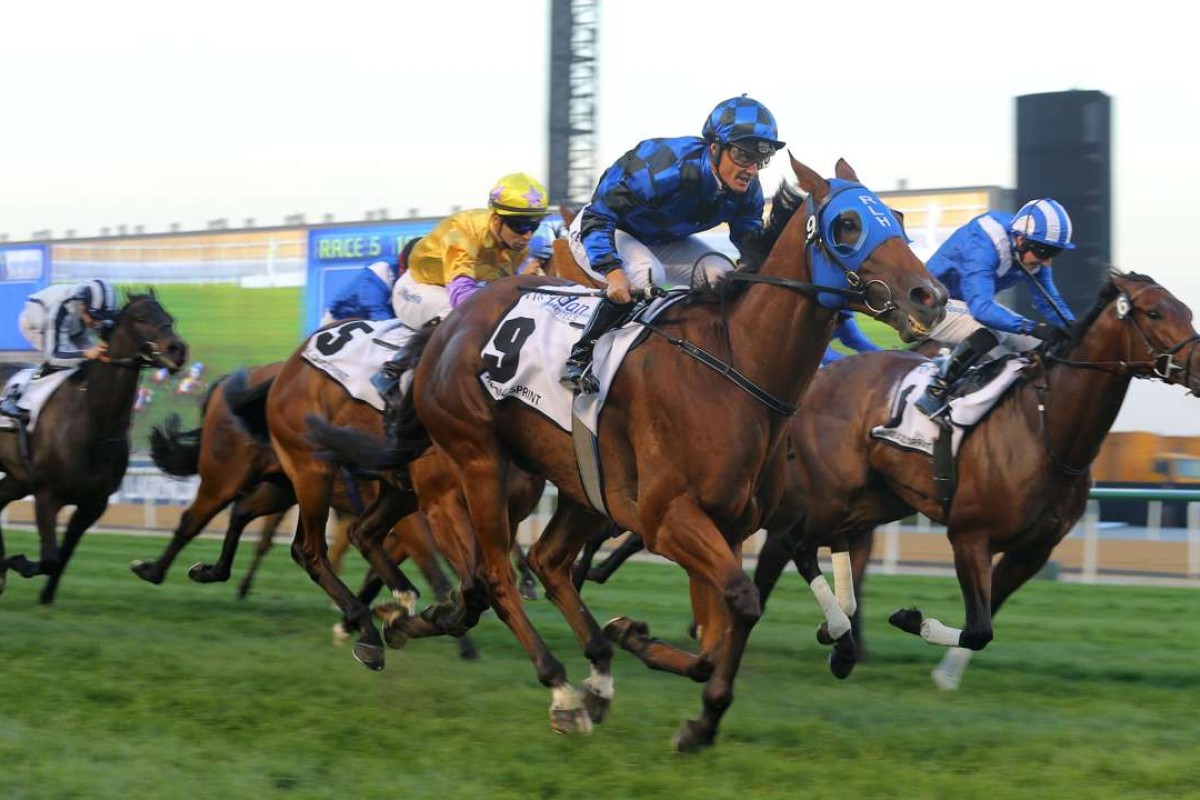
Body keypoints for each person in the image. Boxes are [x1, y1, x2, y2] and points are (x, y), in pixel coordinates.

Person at [560, 94, 784, 391]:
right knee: (645, 272)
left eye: (760, 159)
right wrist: (613, 272)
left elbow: (750, 243)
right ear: (714, 147)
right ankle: (581, 357)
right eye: (743, 156)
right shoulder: (662, 165)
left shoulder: (748, 190)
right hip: (602, 230)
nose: (751, 170)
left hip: (661, 240)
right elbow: (599, 217)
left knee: (720, 272)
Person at [913, 198, 1077, 417]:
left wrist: (1076, 329)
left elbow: (1049, 302)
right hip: (927, 306)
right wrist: (1031, 326)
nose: (1047, 262)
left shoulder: (1030, 248)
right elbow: (981, 309)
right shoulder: (985, 240)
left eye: (1054, 253)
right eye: (1045, 252)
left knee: (1037, 343)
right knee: (994, 330)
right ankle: (937, 389)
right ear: (1021, 239)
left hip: (965, 307)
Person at [390, 172, 550, 331]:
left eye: (534, 226)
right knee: (466, 316)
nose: (528, 235)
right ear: (496, 219)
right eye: (521, 226)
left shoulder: (517, 245)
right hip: (418, 288)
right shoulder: (463, 232)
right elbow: (461, 297)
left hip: (456, 288)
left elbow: (504, 290)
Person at [1, 278, 119, 418]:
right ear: (82, 305)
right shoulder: (62, 308)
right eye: (94, 317)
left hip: (73, 329)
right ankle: (14, 396)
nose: (97, 323)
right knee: (61, 366)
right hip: (37, 323)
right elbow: (55, 356)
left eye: (102, 318)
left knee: (92, 361)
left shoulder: (91, 309)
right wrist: (85, 353)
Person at [322, 238, 420, 325]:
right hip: (338, 323)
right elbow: (376, 312)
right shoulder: (381, 270)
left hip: (370, 325)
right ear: (401, 260)